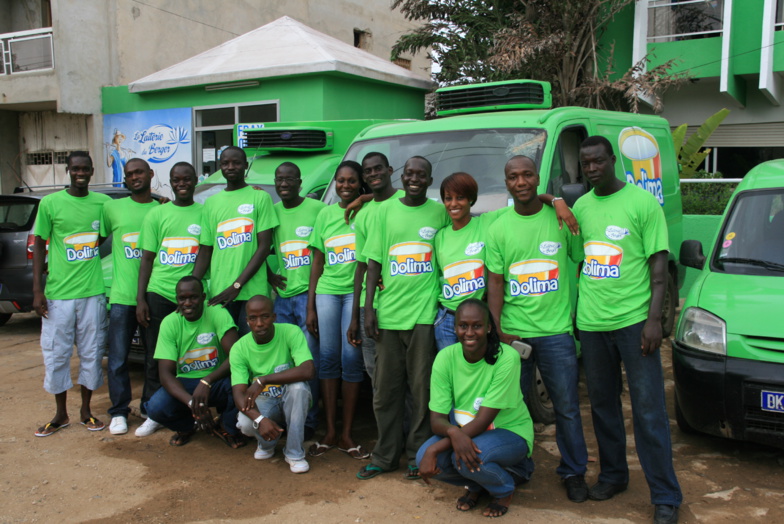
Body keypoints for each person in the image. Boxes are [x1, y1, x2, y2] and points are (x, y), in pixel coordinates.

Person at [575, 136, 682, 524]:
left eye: (598, 162)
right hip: (591, 323)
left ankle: (666, 495)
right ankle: (614, 476)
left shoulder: (641, 202)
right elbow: (579, 263)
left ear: (612, 160)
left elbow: (658, 268)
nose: (591, 169)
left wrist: (654, 320)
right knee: (602, 407)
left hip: (634, 323)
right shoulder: (581, 207)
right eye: (585, 164)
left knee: (649, 410)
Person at [486, 155, 590, 502]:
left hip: (556, 333)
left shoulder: (560, 220)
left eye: (527, 175)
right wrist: (498, 330)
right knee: (509, 408)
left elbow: (580, 259)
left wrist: (558, 201)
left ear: (537, 178)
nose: (521, 182)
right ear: (507, 183)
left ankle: (574, 472)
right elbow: (496, 283)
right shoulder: (498, 227)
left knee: (567, 408)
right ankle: (516, 467)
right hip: (514, 335)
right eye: (513, 176)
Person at [358, 156, 450, 480]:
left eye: (420, 174)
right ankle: (385, 456)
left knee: (421, 390)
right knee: (385, 391)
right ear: (402, 176)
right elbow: (373, 263)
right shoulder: (384, 211)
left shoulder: (439, 212)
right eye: (409, 173)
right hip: (389, 315)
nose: (414, 179)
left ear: (429, 179)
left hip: (423, 316)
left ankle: (418, 454)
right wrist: (369, 308)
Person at [417, 299, 534, 518]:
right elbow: (437, 420)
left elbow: (483, 420)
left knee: (460, 457)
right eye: (463, 326)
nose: (469, 332)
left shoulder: (506, 358)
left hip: (509, 431)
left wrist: (437, 447)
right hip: (467, 432)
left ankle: (504, 488)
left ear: (489, 327)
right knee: (422, 456)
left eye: (477, 326)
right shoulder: (445, 358)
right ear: (455, 327)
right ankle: (479, 484)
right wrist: (453, 433)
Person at [32, 151, 111, 436]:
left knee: (91, 351)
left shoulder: (103, 202)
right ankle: (60, 413)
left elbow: (103, 234)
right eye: (75, 168)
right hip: (58, 295)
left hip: (92, 292)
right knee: (56, 353)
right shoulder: (50, 203)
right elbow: (39, 244)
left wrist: (158, 199)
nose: (80, 173)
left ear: (92, 171)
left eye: (85, 169)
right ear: (68, 170)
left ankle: (86, 411)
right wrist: (37, 290)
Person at [305, 161, 370, 459]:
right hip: (328, 292)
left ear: (360, 183)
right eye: (341, 181)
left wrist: (364, 199)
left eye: (352, 181)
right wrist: (310, 306)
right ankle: (330, 432)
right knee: (328, 358)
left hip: (356, 293)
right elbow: (316, 262)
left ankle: (347, 433)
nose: (345, 186)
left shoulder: (368, 210)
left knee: (351, 357)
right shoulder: (325, 214)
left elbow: (392, 197)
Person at [135, 162, 203, 437]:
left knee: (192, 356)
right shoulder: (157, 214)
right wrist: (141, 299)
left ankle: (191, 410)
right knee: (156, 356)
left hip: (193, 297)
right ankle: (152, 411)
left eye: (187, 179)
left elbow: (207, 252)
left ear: (195, 180)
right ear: (171, 183)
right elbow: (147, 259)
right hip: (160, 292)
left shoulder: (205, 212)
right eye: (176, 179)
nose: (182, 183)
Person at [144, 276, 243, 447]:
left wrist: (207, 380)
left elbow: (236, 357)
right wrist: (192, 404)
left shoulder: (217, 313)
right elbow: (165, 374)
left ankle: (227, 426)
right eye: (183, 298)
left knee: (241, 382)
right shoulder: (170, 323)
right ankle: (188, 426)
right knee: (155, 408)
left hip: (217, 380)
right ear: (177, 300)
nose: (188, 303)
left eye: (193, 297)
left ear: (203, 297)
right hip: (186, 383)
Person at [100, 158, 160, 435]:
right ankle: (119, 411)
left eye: (139, 172)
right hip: (122, 297)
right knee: (118, 358)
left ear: (150, 174)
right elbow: (93, 242)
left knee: (153, 358)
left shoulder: (162, 209)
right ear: (124, 179)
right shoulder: (111, 208)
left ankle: (149, 407)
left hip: (152, 296)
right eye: (129, 174)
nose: (134, 177)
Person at [192, 146, 278, 335]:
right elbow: (206, 250)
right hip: (220, 292)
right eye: (225, 163)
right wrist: (192, 285)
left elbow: (263, 247)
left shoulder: (260, 198)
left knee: (252, 349)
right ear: (220, 167)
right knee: (226, 352)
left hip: (252, 292)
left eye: (236, 163)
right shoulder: (211, 204)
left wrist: (236, 285)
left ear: (245, 166)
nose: (231, 167)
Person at [268, 161, 324, 441]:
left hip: (308, 298)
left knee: (308, 360)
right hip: (282, 300)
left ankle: (310, 421)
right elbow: (253, 247)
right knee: (286, 361)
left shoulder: (317, 209)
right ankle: (289, 416)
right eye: (279, 179)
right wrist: (268, 275)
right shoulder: (272, 212)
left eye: (290, 179)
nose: (284, 183)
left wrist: (312, 303)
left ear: (300, 183)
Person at [232, 295, 315, 474]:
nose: (260, 323)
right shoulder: (239, 348)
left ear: (274, 317)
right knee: (245, 424)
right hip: (265, 400)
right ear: (247, 321)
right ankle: (266, 444)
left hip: (290, 398)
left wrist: (263, 379)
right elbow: (238, 395)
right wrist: (260, 420)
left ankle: (294, 453)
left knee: (298, 388)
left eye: (265, 316)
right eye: (253, 318)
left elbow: (308, 370)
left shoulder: (291, 332)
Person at [433, 172, 508, 351]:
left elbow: (524, 204)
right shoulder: (439, 237)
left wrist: (555, 200)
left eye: (460, 198)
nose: (453, 204)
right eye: (448, 198)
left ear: (471, 200)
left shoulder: (486, 223)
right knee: (453, 373)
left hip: (478, 320)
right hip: (447, 320)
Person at [346, 152, 403, 387]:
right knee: (376, 375)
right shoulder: (364, 215)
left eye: (378, 168)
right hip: (368, 307)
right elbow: (360, 267)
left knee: (403, 375)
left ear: (390, 171)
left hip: (400, 305)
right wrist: (355, 316)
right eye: (367, 171)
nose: (373, 174)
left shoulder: (405, 200)